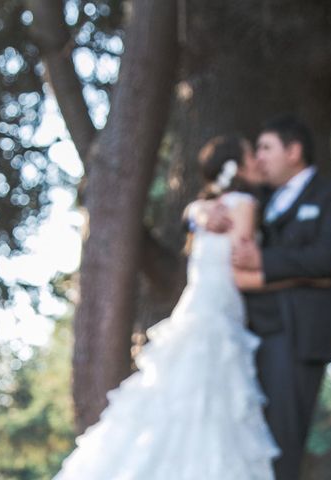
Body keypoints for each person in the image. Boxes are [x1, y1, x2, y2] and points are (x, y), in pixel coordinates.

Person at [53, 135, 279, 480]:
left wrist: (195, 211)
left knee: (174, 404)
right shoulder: (243, 203)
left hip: (196, 311)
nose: (258, 162)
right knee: (213, 411)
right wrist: (300, 277)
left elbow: (203, 229)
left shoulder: (206, 211)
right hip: (218, 315)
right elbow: (240, 266)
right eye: (252, 155)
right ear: (237, 167)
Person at [203, 115, 331, 479]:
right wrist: (196, 212)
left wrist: (264, 262)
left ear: (294, 151)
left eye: (266, 148)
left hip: (296, 335)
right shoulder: (257, 197)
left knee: (280, 444)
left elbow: (329, 258)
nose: (258, 158)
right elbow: (206, 204)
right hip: (248, 335)